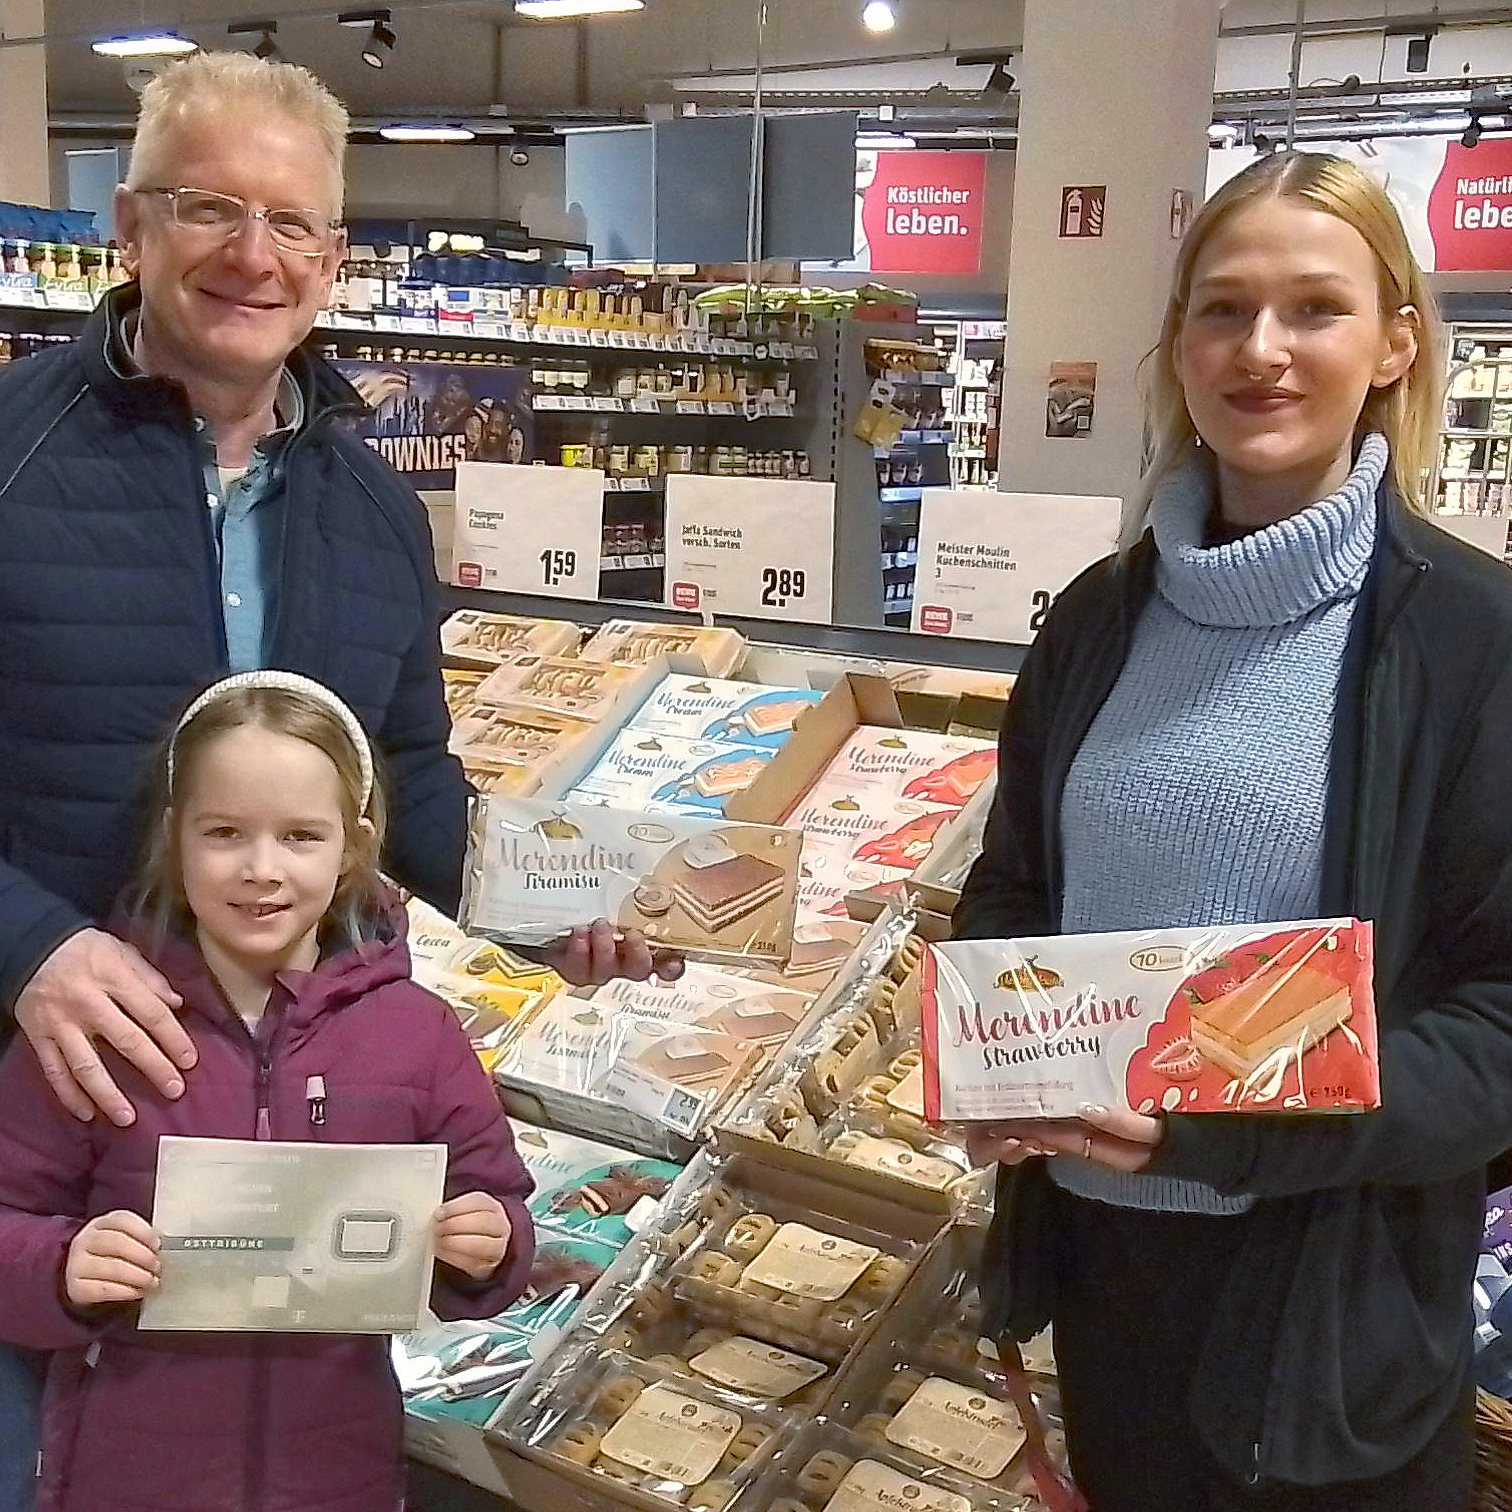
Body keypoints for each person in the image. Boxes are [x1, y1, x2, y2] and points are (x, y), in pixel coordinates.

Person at [0, 51, 673, 1502]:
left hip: (285, 1121)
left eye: (294, 223)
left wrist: (564, 907)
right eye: (207, 208)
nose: (255, 255)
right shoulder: (10, 456)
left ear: (337, 258)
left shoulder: (370, 502)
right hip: (57, 1109)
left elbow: (407, 779)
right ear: (126, 227)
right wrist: (32, 950)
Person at [956, 150, 1512, 1510]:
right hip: (1104, 1270)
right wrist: (993, 1057)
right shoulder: (1097, 619)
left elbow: (1499, 1023)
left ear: (1394, 343)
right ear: (1179, 346)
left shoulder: (1470, 638)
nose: (1261, 350)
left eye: (1315, 308)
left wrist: (1220, 1127)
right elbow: (1017, 887)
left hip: (1335, 1302)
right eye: (1222, 309)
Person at [0, 671, 537, 1512]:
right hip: (127, 1474)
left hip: (336, 1472)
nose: (261, 869)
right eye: (224, 833)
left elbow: (494, 1204)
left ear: (353, 846)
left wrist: (489, 1244)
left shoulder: (418, 1036)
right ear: (175, 837)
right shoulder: (99, 1030)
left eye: (299, 836)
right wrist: (63, 1267)